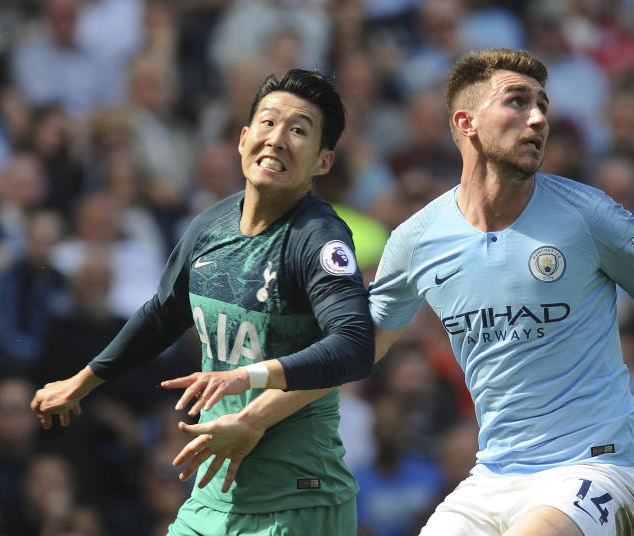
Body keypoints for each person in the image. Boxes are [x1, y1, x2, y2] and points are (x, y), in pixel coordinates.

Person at [168, 49, 634, 536]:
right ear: (465, 123)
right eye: (517, 103)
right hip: (493, 477)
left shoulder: (587, 214)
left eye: (543, 107)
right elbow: (345, 355)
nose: (538, 119)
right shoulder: (417, 240)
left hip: (596, 467)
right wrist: (254, 419)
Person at [30, 69, 376, 536]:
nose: (277, 138)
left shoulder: (318, 238)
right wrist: (85, 380)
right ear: (243, 138)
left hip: (296, 502)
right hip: (211, 500)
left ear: (323, 161)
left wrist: (248, 376)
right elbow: (163, 314)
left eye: (299, 130)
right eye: (268, 123)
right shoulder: (212, 224)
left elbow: (355, 345)